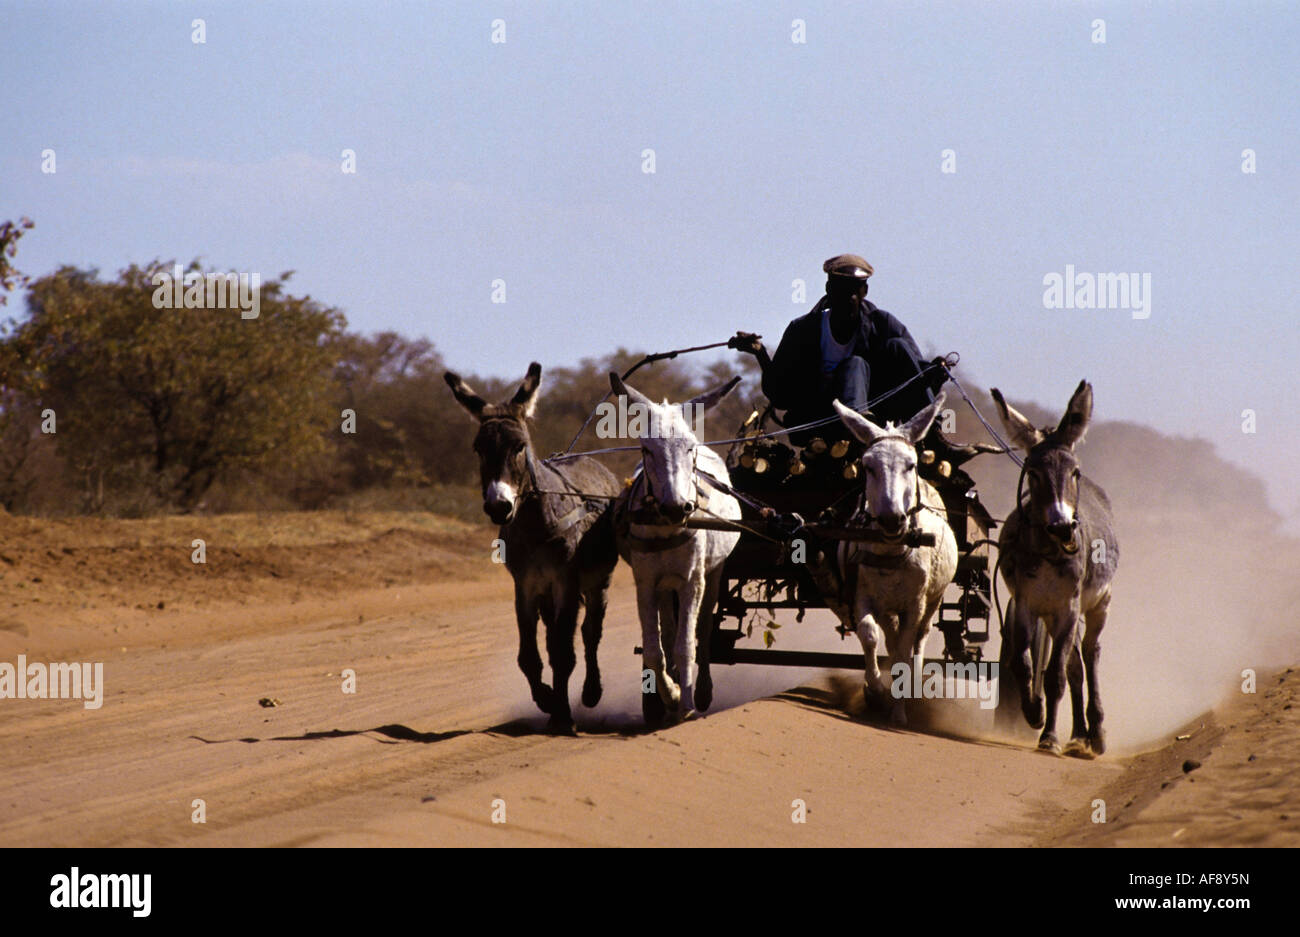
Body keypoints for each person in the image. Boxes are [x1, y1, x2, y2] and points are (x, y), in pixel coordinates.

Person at [730, 254, 945, 444]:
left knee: (896, 347)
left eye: (854, 290)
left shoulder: (884, 324)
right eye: (841, 289)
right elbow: (780, 396)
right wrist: (761, 354)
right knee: (854, 364)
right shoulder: (803, 329)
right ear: (828, 290)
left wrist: (934, 373)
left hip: (879, 417)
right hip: (820, 418)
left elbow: (916, 373)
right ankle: (857, 426)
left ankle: (936, 435)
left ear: (864, 292)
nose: (848, 297)